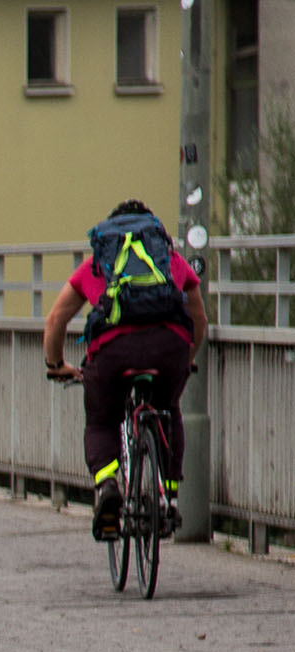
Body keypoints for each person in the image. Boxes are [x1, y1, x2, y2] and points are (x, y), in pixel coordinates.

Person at [43, 200, 207, 540]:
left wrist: (56, 365)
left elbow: (56, 319)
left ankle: (107, 486)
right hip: (169, 348)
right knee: (168, 408)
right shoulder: (171, 261)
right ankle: (168, 494)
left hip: (112, 353)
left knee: (102, 419)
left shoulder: (96, 265)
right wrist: (185, 357)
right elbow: (199, 318)